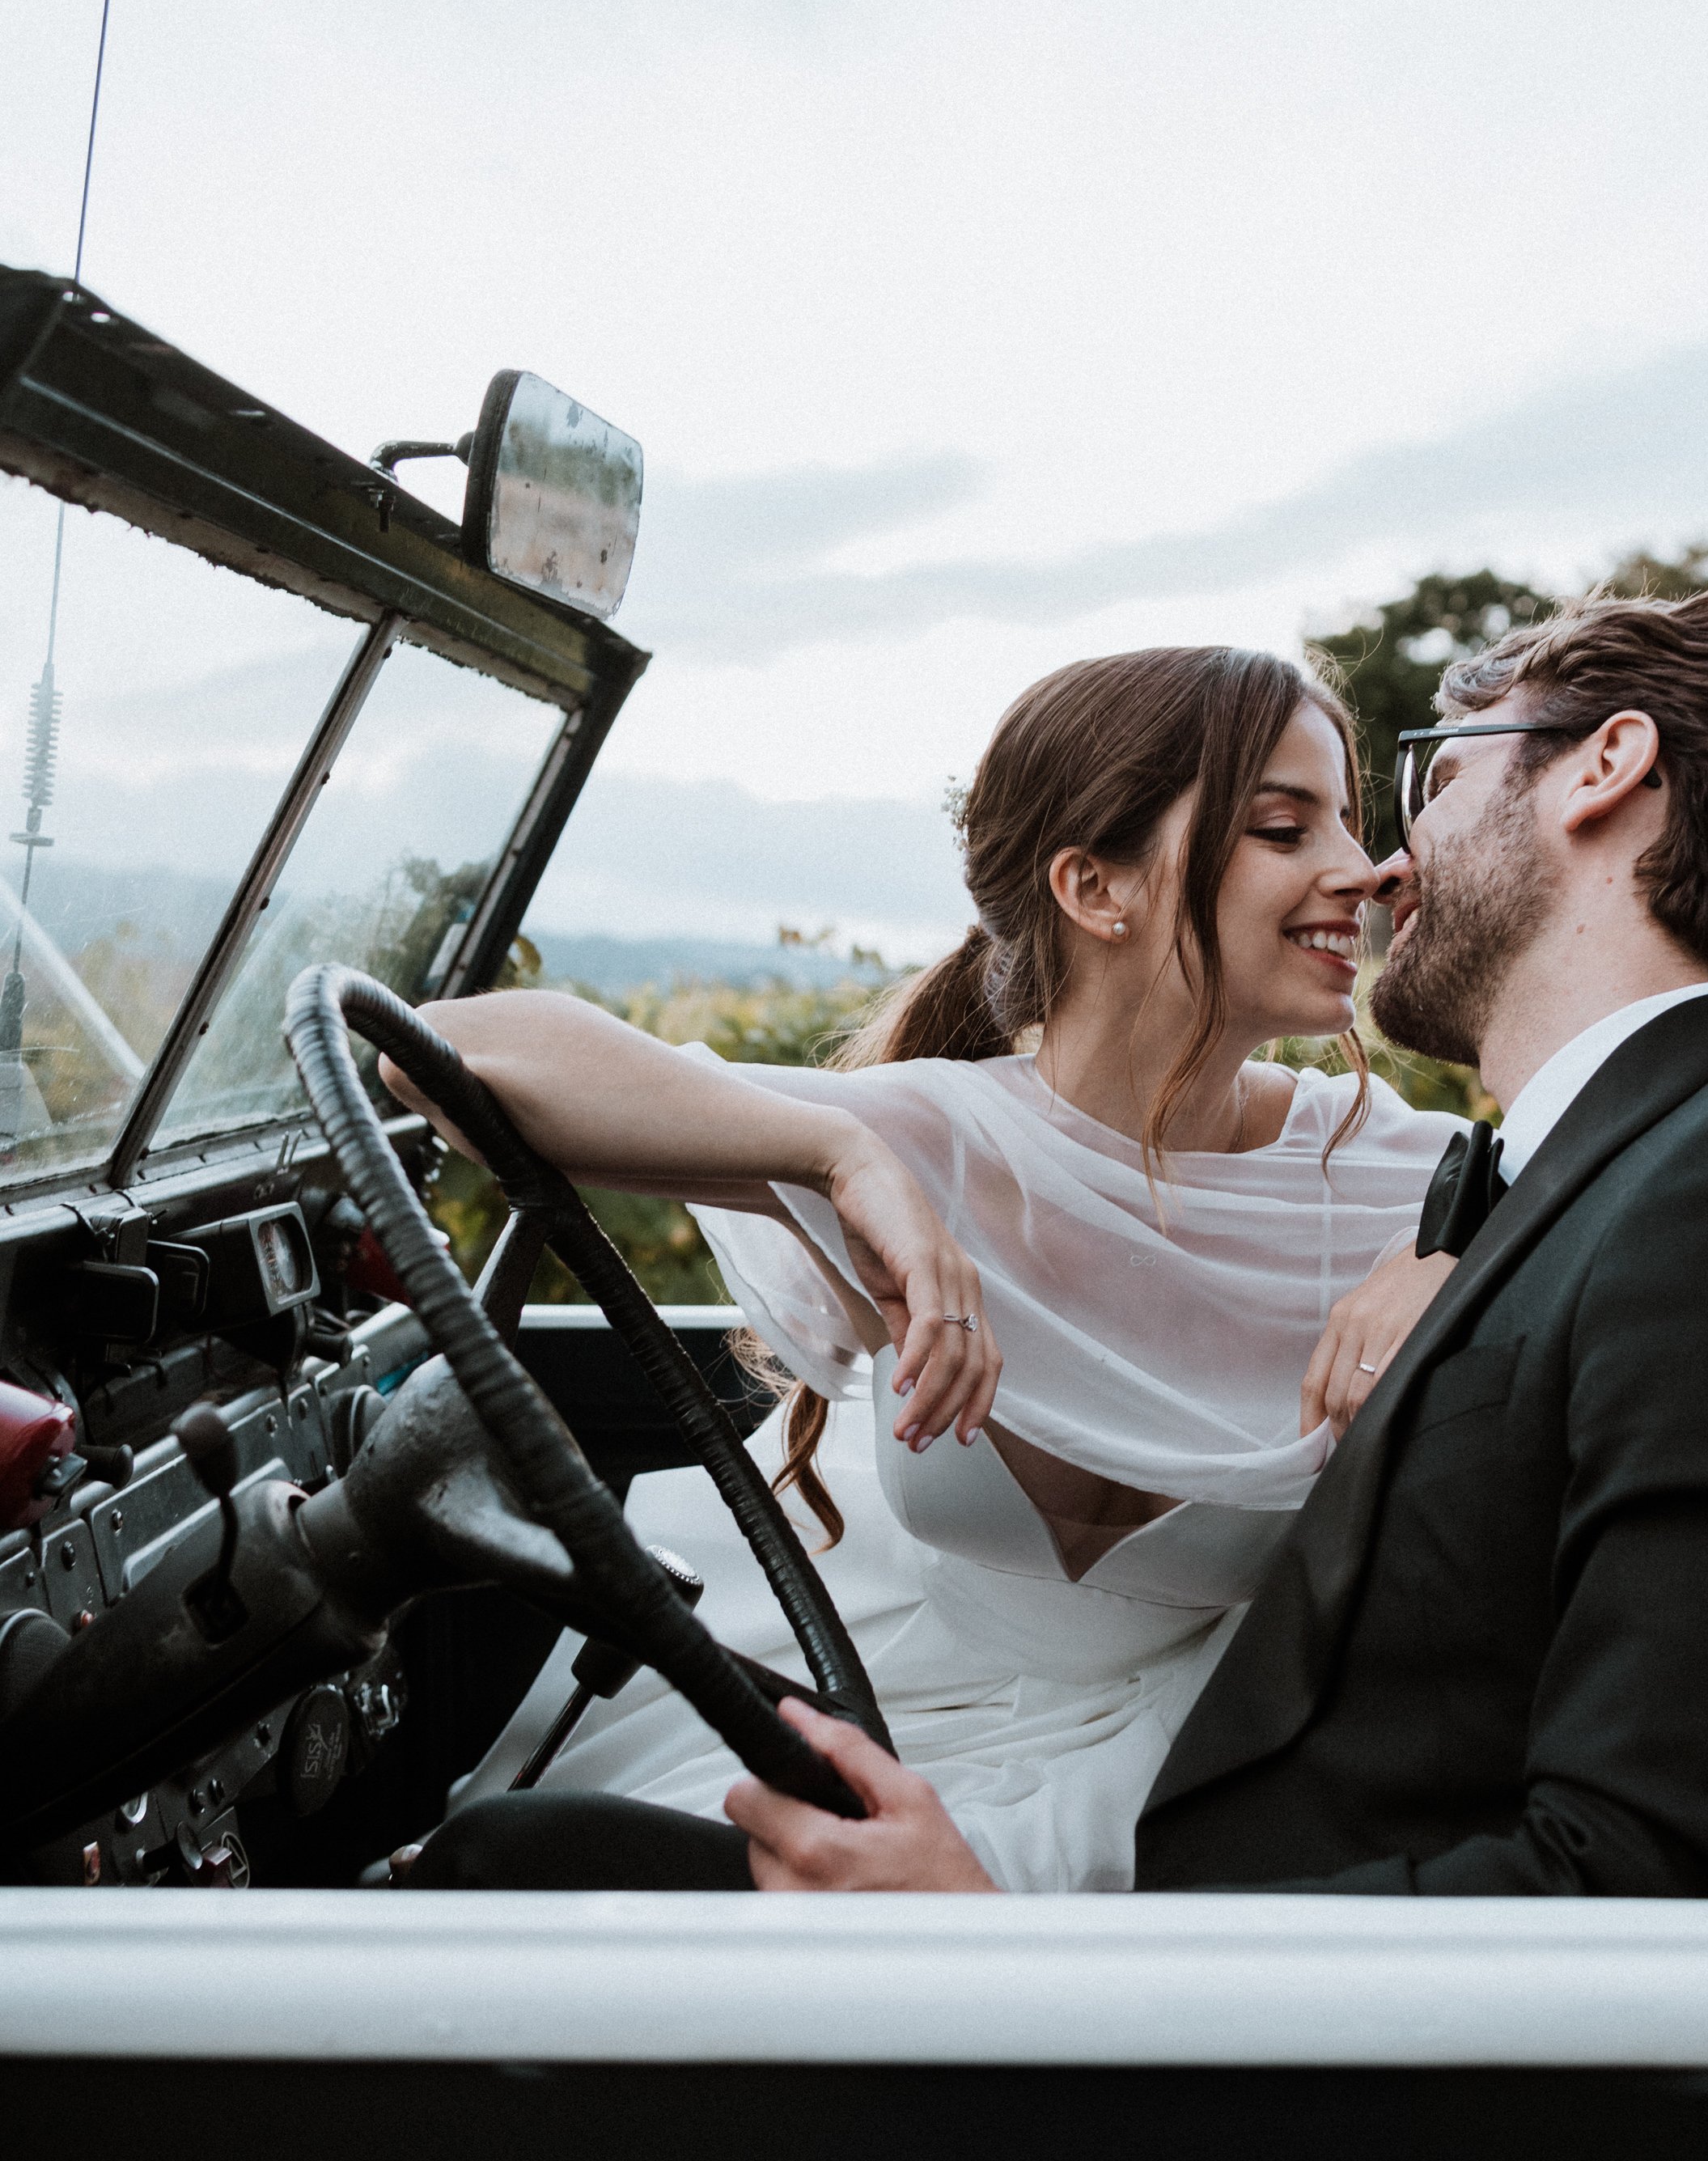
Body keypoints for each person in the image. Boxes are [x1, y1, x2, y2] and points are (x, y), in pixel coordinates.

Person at [701, 586, 1708, 1904]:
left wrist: (1033, 1951)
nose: (1385, 865)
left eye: (1436, 781)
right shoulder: (1571, 1192)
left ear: (1605, 768)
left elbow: (1659, 1875)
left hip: (1212, 1991)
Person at [401, 645, 1469, 1892]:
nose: (1364, 865)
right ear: (1095, 886)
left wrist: (1458, 1257)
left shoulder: (1412, 1181)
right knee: (505, 1874)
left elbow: (1647, 1180)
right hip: (885, 1713)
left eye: (1347, 818)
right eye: (1286, 828)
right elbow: (437, 1052)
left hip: (1179, 1773)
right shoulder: (937, 1138)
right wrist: (840, 1151)